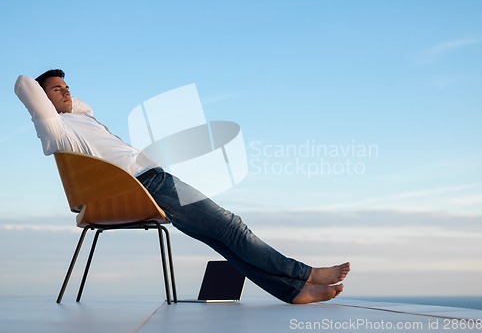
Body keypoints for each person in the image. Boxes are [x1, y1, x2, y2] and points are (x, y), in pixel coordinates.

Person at [15, 69, 350, 304]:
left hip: (152, 181)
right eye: (57, 89)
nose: (67, 91)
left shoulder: (80, 118)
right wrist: (52, 98)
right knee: (232, 227)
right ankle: (305, 274)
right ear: (43, 102)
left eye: (67, 86)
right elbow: (23, 84)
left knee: (223, 238)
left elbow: (81, 104)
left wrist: (67, 100)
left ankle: (291, 292)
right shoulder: (55, 130)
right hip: (147, 184)